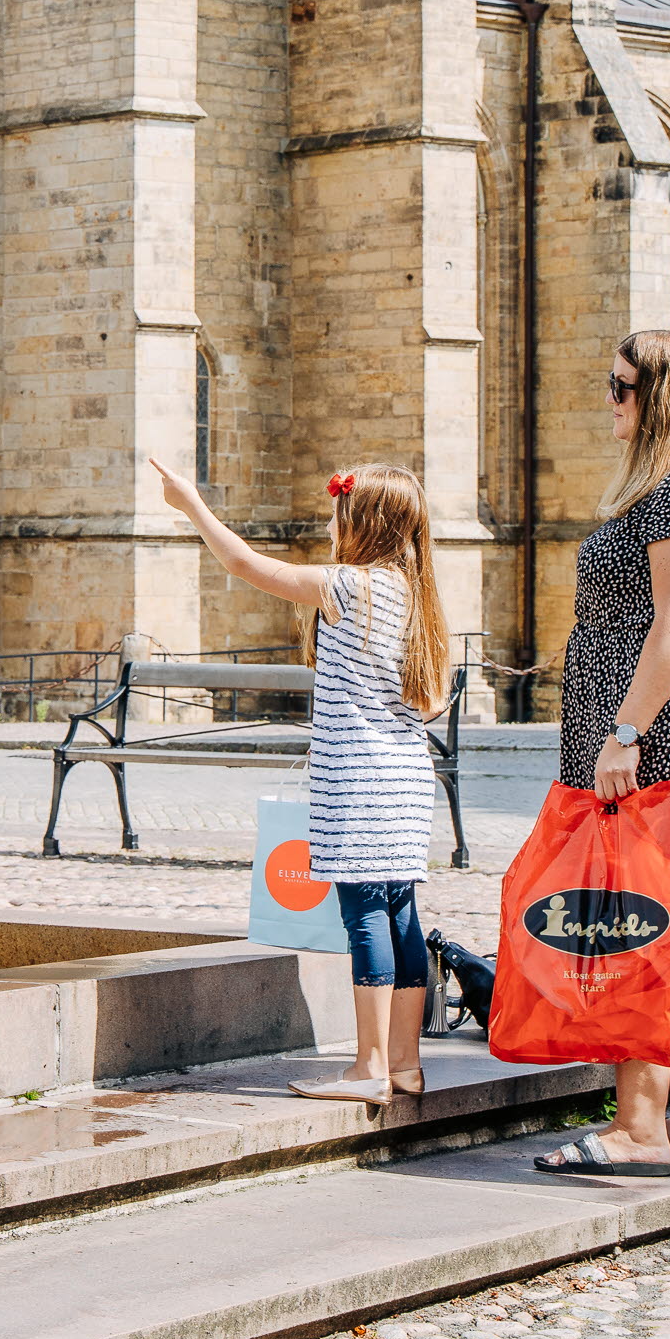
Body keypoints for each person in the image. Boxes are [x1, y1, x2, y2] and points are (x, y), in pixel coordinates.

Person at [150, 457, 451, 1107]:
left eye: (339, 511)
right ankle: (404, 1063)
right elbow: (430, 704)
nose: (329, 519)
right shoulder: (416, 596)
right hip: (405, 786)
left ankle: (368, 1064)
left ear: (363, 522)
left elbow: (247, 566)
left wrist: (192, 506)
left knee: (364, 912)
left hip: (359, 784)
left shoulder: (351, 588)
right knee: (401, 914)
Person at [536, 327, 670, 1178]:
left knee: (649, 920)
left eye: (620, 386)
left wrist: (625, 731)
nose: (609, 399)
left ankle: (640, 1125)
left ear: (661, 396)